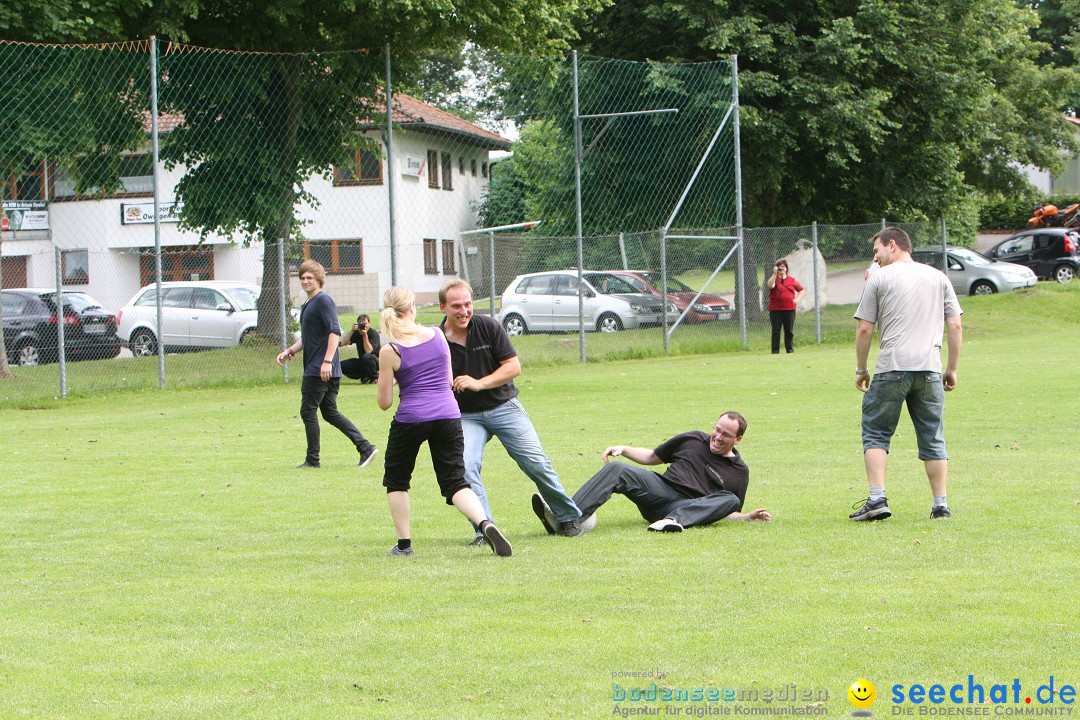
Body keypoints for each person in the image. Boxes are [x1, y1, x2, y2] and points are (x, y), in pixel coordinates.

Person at [438, 279, 585, 543]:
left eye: (468, 304)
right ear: (443, 307)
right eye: (456, 306)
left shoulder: (488, 326)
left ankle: (567, 517)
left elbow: (513, 367)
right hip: (464, 415)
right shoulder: (437, 340)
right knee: (466, 468)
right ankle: (485, 530)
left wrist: (478, 383)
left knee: (536, 463)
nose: (464, 311)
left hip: (503, 405)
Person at [376, 285, 512, 557]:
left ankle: (404, 545)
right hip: (448, 415)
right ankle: (484, 523)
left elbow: (384, 402)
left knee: (397, 480)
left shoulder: (390, 350)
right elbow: (449, 381)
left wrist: (393, 376)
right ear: (412, 308)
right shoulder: (438, 335)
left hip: (411, 418)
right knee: (455, 482)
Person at [851, 227, 963, 521]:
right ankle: (941, 505)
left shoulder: (879, 278)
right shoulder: (939, 277)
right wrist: (951, 368)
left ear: (892, 244)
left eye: (877, 251)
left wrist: (862, 369)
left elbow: (865, 328)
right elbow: (955, 326)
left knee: (875, 433)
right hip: (929, 370)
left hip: (891, 368)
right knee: (933, 437)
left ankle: (877, 499)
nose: (875, 259)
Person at [561, 412, 772, 534]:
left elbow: (726, 510)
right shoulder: (693, 439)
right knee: (617, 469)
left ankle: (672, 522)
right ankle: (566, 516)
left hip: (687, 506)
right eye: (717, 429)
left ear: (738, 439)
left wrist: (747, 517)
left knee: (731, 499)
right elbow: (652, 456)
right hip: (660, 490)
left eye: (726, 434)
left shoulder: (739, 471)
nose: (717, 437)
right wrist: (624, 450)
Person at [276, 260, 378, 469]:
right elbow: (308, 337)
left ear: (319, 280)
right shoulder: (309, 303)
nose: (305, 281)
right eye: (302, 278)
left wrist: (327, 361)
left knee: (308, 411)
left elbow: (335, 331)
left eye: (309, 278)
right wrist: (289, 351)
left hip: (320, 368)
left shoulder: (323, 301)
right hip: (322, 367)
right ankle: (365, 447)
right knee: (329, 412)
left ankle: (313, 460)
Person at [766, 259, 804, 354]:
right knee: (776, 331)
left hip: (789, 309)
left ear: (786, 268)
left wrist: (797, 299)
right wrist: (774, 274)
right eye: (779, 267)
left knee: (789, 331)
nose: (781, 269)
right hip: (776, 310)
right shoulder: (774, 279)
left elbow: (801, 290)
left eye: (783, 267)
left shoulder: (792, 280)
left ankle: (789, 349)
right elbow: (770, 285)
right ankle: (775, 351)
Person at [340, 314, 380, 383]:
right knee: (341, 365)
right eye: (361, 323)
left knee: (366, 357)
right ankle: (365, 375)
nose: (364, 325)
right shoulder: (356, 333)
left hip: (376, 362)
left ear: (369, 324)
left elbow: (369, 351)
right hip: (363, 361)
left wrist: (364, 335)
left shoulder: (373, 333)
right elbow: (343, 343)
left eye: (365, 323)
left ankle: (375, 377)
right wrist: (352, 331)